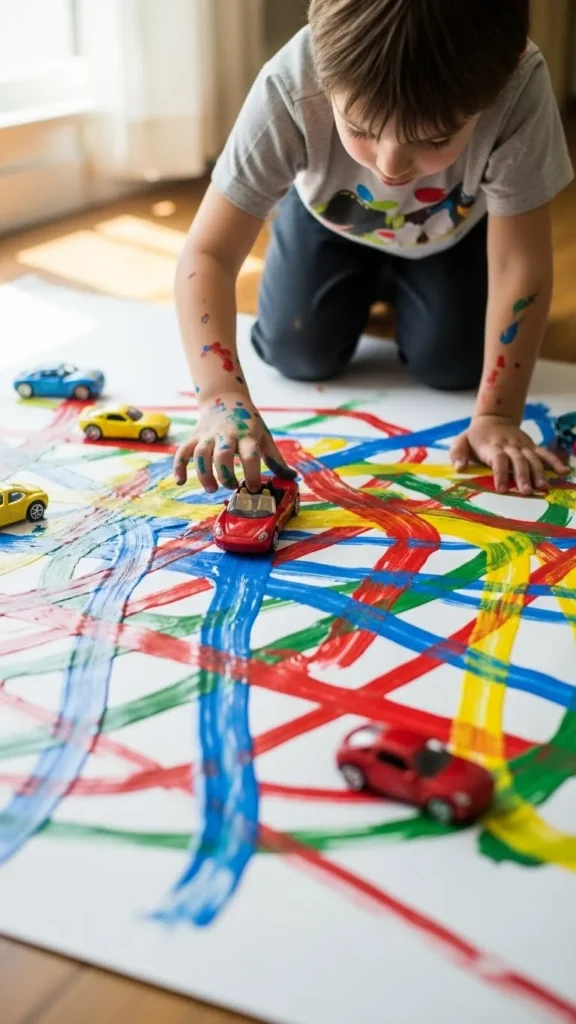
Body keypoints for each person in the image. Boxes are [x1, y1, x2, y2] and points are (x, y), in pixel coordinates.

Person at [173, 0, 573, 496]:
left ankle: (399, 294)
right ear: (323, 62)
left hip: (451, 234)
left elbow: (520, 265)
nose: (390, 167)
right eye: (360, 129)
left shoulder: (519, 85)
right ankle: (366, 289)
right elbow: (207, 253)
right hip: (328, 221)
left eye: (433, 138)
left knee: (454, 365)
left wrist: (498, 414)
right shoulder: (290, 83)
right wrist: (218, 395)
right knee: (297, 350)